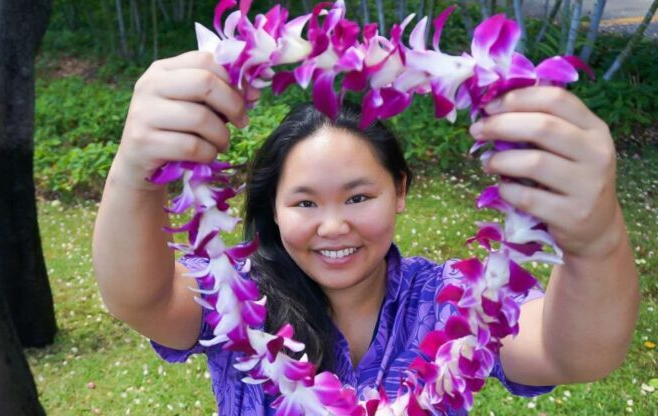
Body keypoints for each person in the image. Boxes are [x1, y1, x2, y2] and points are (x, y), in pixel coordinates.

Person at [92, 51, 640, 414]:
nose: (334, 225)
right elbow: (141, 297)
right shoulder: (240, 295)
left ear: (399, 190)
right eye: (305, 201)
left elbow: (574, 352)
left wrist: (596, 240)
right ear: (275, 209)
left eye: (359, 196)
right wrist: (135, 172)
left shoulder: (448, 302)